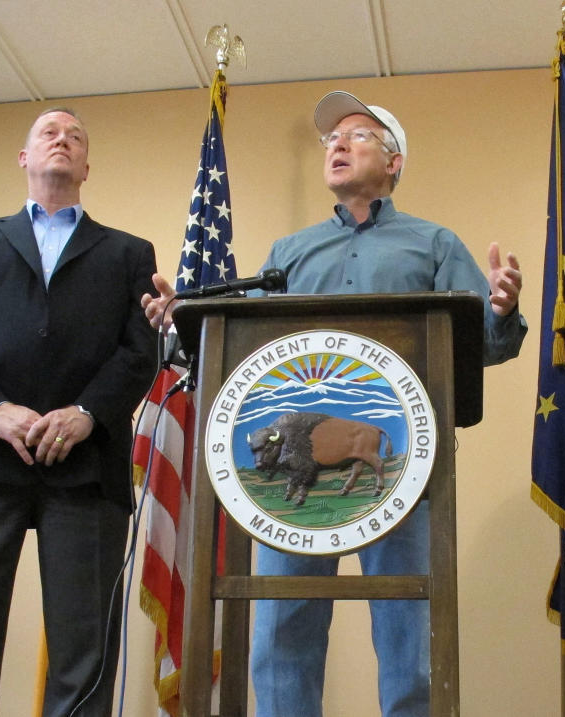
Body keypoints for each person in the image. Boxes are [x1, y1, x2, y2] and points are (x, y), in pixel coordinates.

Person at [142, 90, 527, 717]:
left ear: (395, 162)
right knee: (280, 630)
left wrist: (502, 309)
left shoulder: (432, 244)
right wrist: (181, 326)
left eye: (357, 135)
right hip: (298, 463)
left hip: (405, 464)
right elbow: (244, 354)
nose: (338, 146)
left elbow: (482, 341)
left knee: (409, 634)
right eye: (331, 140)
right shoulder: (288, 255)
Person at [0, 108, 159, 716]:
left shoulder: (130, 253)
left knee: (84, 651)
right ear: (24, 158)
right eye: (48, 133)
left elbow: (141, 350)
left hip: (86, 465)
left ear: (86, 166)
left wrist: (87, 413)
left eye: (76, 135)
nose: (62, 138)